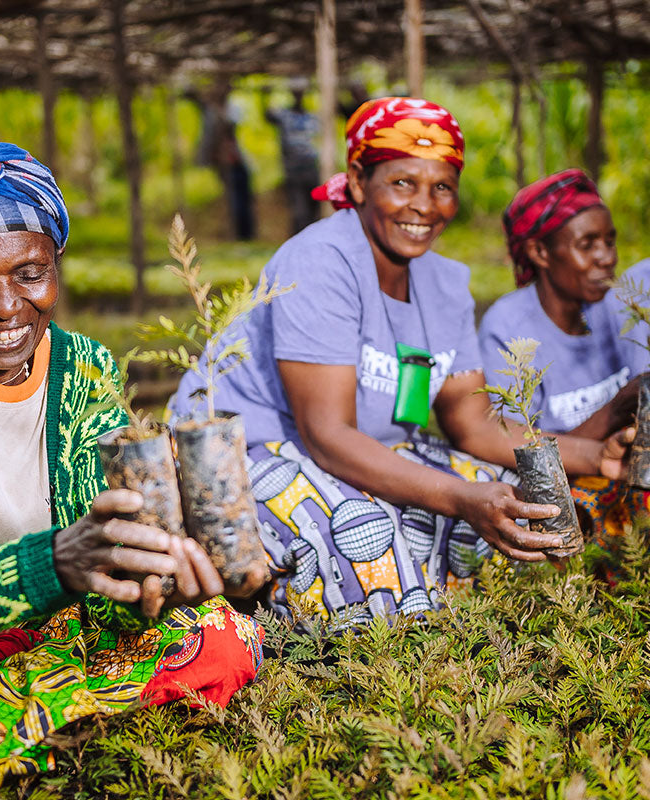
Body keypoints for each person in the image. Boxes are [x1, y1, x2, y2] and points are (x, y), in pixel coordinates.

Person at [0, 143, 265, 795]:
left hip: (47, 638)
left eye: (30, 273)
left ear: (55, 267)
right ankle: (46, 727)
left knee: (220, 636)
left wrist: (151, 591)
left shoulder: (84, 369)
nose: (6, 304)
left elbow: (103, 580)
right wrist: (47, 565)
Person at [168, 98, 632, 624]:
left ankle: (451, 632)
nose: (424, 206)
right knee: (367, 530)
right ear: (360, 182)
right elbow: (326, 435)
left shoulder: (446, 284)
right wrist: (461, 498)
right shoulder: (320, 261)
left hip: (359, 446)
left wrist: (597, 457)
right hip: (242, 448)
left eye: (442, 187)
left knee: (502, 496)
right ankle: (335, 657)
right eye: (403, 183)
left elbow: (474, 423)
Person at [479, 169, 640, 440]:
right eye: (587, 245)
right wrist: (616, 410)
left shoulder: (620, 304)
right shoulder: (507, 330)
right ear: (539, 252)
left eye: (610, 242)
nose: (607, 257)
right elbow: (523, 453)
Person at [188, 82, 256, 240]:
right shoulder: (211, 112)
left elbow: (231, 123)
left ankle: (246, 234)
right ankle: (239, 234)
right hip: (225, 163)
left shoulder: (230, 110)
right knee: (235, 200)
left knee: (244, 198)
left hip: (237, 161)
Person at [262, 81, 321, 234]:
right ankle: (299, 238)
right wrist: (265, 95)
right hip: (293, 168)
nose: (298, 95)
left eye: (301, 92)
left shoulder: (313, 117)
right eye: (296, 92)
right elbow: (267, 115)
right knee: (299, 210)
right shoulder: (284, 116)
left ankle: (311, 237)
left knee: (314, 206)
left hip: (311, 167)